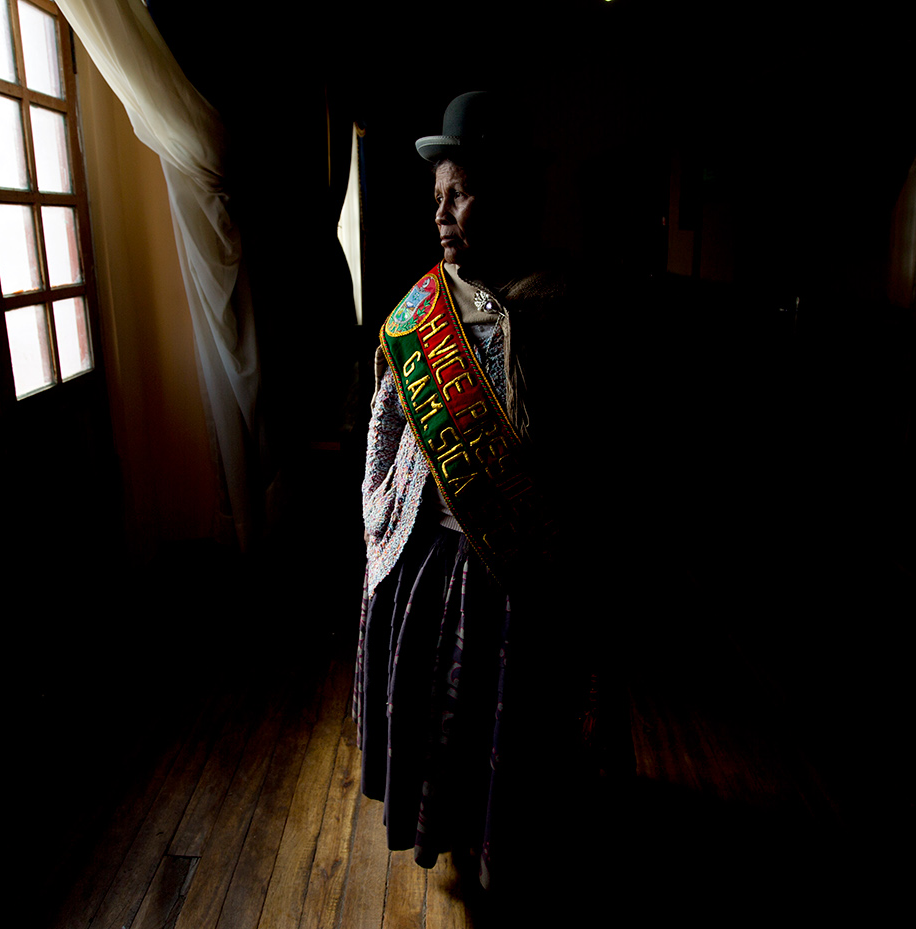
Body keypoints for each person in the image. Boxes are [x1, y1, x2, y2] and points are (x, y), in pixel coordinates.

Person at [354, 92, 608, 894]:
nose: (442, 215)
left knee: (520, 729)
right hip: (439, 560)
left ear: (513, 194)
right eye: (436, 199)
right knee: (444, 721)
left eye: (459, 193)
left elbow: (603, 458)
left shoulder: (567, 312)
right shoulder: (416, 316)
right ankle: (452, 831)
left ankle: (516, 842)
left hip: (524, 573)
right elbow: (386, 431)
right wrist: (396, 512)